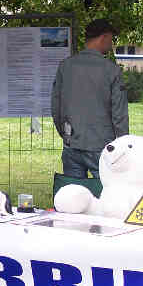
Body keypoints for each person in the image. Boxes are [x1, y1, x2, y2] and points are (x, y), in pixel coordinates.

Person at [51, 18, 129, 179]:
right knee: (106, 195)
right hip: (101, 146)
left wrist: (66, 136)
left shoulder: (65, 67)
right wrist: (122, 146)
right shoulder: (112, 71)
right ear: (104, 37)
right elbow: (119, 115)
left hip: (71, 144)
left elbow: (56, 107)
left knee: (74, 198)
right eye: (111, 39)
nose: (111, 43)